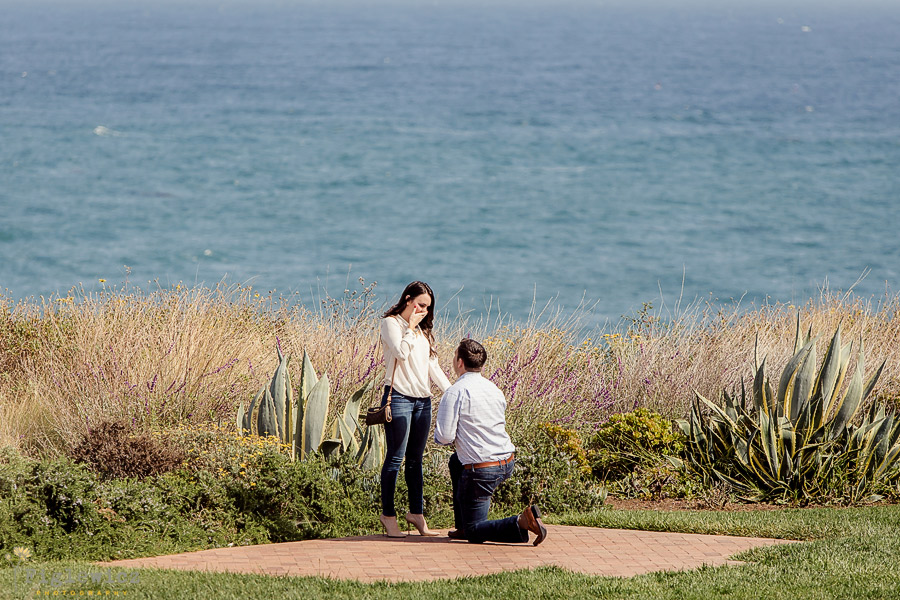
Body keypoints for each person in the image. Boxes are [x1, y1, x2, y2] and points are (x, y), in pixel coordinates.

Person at [434, 338, 547, 545]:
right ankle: (462, 525)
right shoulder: (494, 389)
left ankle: (523, 521)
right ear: (481, 364)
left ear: (459, 362)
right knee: (455, 462)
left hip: (482, 471)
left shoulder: (454, 392)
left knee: (474, 531)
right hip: (507, 461)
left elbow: (445, 437)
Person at [378, 281, 452, 537]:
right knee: (395, 459)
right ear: (408, 299)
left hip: (423, 400)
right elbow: (400, 352)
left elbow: (433, 368)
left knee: (416, 461)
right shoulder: (392, 324)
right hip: (398, 397)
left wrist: (454, 393)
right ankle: (388, 516)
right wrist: (410, 327)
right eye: (420, 304)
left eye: (428, 308)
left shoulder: (422, 332)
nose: (423, 311)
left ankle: (417, 514)